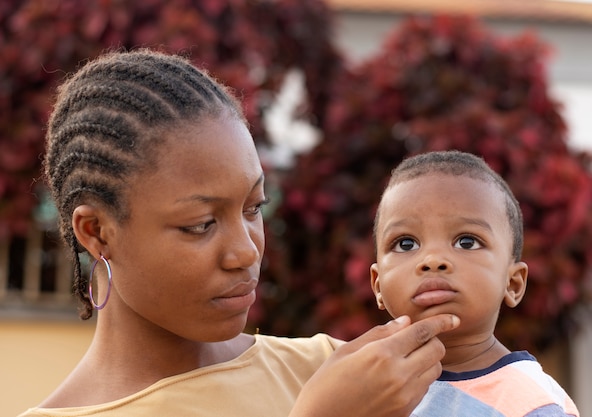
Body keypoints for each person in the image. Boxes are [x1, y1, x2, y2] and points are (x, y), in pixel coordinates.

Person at [18, 49, 460, 417]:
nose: (246, 252)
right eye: (200, 225)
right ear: (97, 232)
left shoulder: (337, 372)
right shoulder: (338, 402)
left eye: (254, 208)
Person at [369, 150, 580, 416]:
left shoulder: (531, 403)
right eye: (406, 244)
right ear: (377, 285)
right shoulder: (367, 390)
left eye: (467, 242)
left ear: (513, 283)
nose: (433, 260)